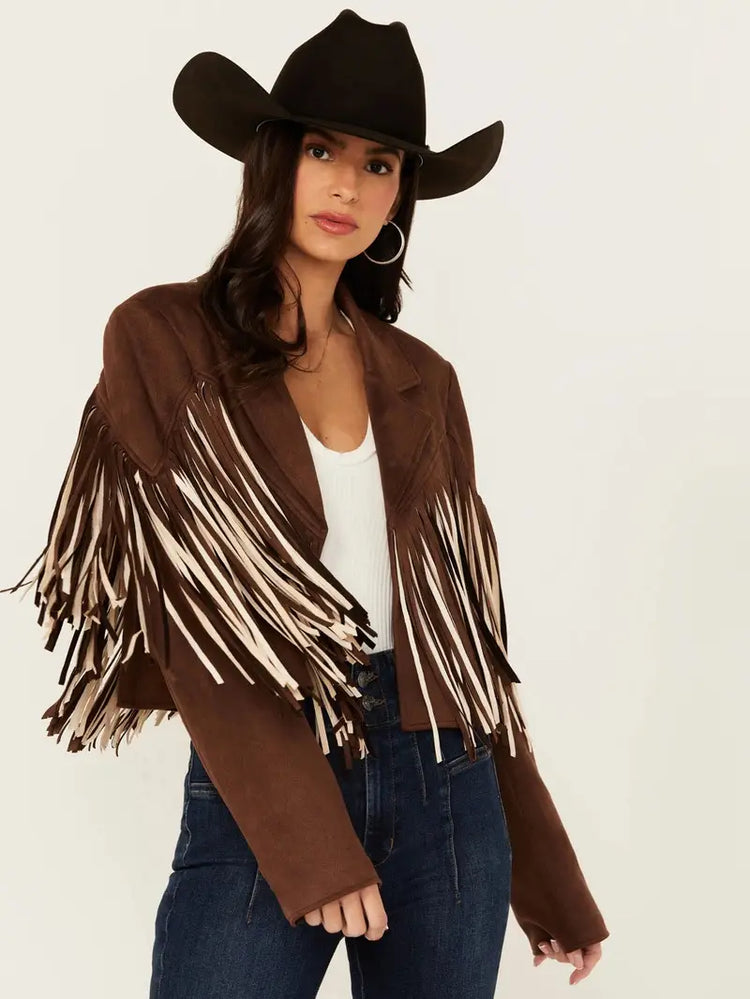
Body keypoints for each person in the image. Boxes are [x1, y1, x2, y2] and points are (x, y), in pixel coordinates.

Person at [2, 10, 609, 997]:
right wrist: (311, 845)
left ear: (402, 193)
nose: (347, 187)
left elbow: (464, 643)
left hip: (444, 782)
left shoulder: (423, 379)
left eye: (380, 164)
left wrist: (549, 881)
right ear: (272, 159)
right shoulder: (163, 338)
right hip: (267, 772)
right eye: (323, 150)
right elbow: (200, 612)